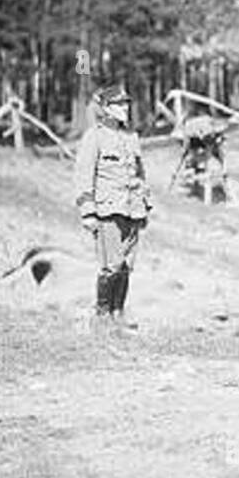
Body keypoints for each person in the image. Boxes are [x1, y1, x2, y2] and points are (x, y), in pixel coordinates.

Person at [73, 84, 152, 329]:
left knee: (127, 266)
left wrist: (145, 205)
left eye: (127, 103)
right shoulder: (94, 137)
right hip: (108, 211)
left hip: (133, 210)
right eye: (119, 104)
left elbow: (140, 174)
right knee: (111, 266)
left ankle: (118, 314)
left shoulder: (131, 136)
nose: (125, 108)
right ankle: (102, 316)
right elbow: (83, 175)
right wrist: (88, 211)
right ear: (106, 109)